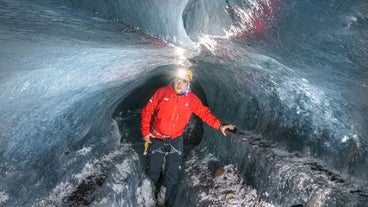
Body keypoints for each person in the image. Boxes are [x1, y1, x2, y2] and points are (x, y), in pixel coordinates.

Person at [141, 68, 235, 206]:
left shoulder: (191, 99)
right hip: (156, 137)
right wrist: (145, 132)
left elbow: (204, 113)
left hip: (175, 139)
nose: (179, 84)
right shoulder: (162, 92)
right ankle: (147, 200)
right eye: (178, 80)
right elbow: (147, 111)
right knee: (153, 171)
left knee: (172, 175)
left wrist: (220, 126)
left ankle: (161, 201)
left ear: (187, 84)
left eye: (183, 81)